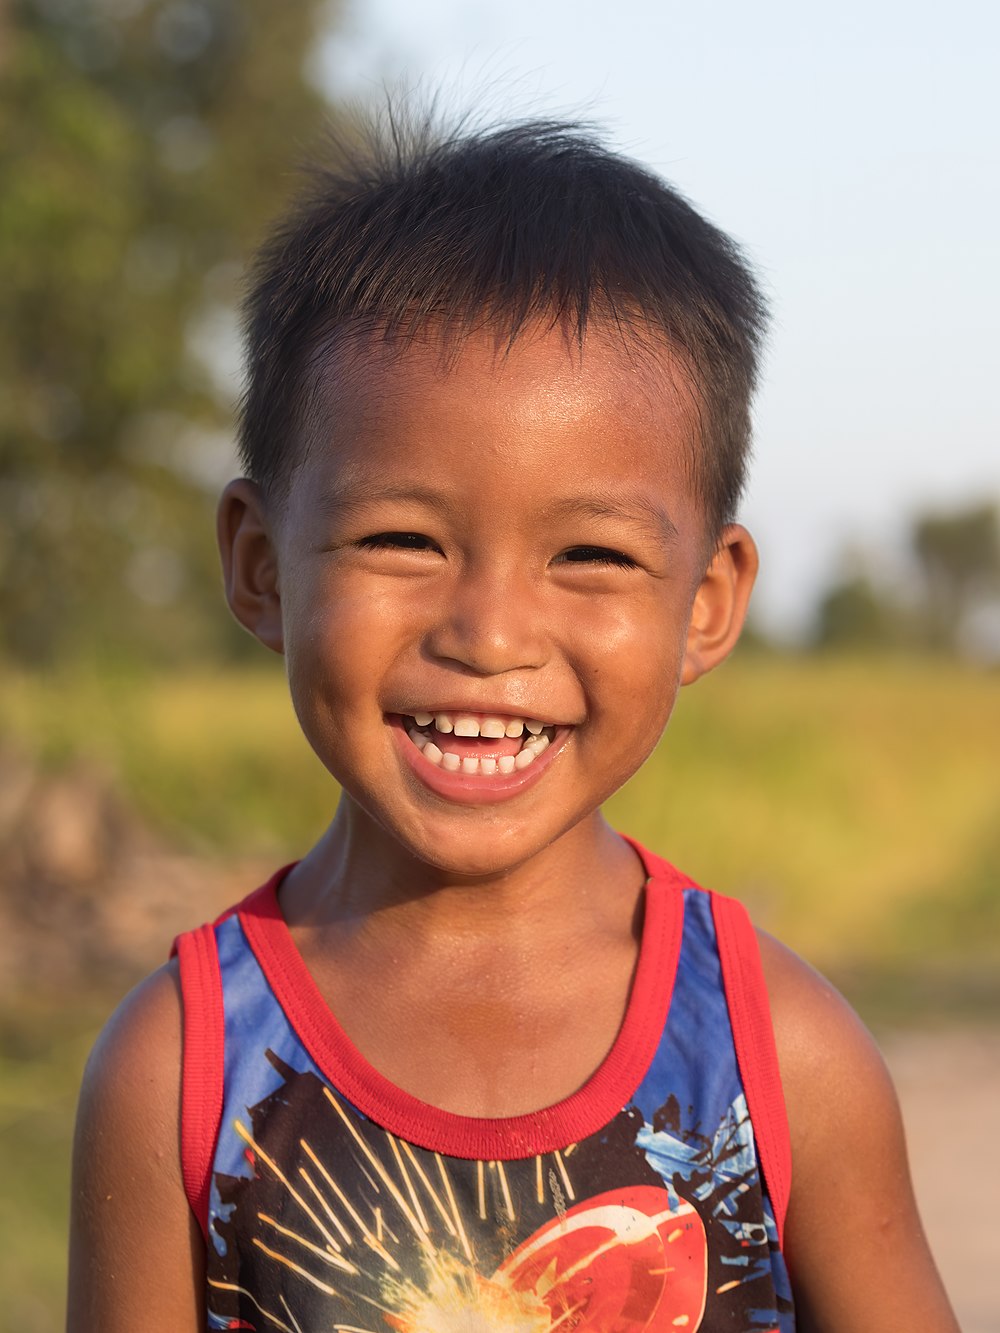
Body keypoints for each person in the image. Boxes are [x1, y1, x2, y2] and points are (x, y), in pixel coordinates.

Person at [67, 115, 959, 1332]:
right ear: (261, 566)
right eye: (401, 541)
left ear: (705, 603)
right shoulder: (184, 1070)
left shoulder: (779, 1061)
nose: (489, 634)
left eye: (588, 554)